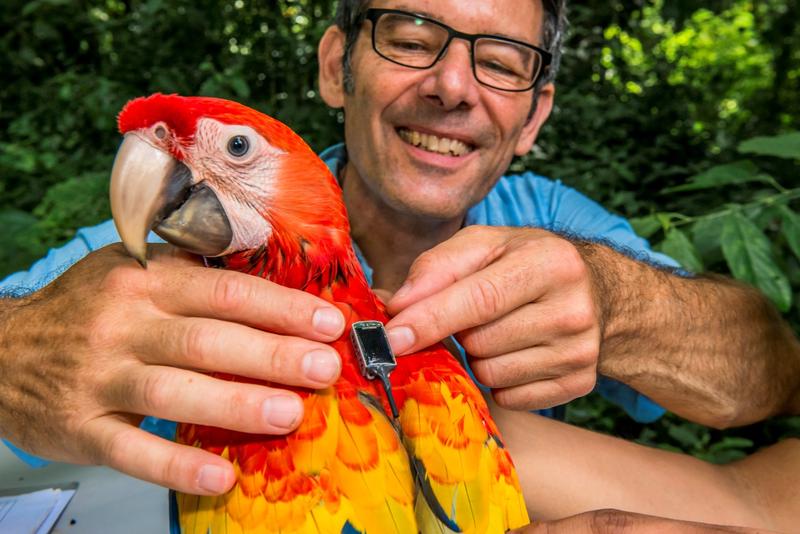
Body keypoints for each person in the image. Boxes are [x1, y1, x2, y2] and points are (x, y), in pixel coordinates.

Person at [0, 0, 798, 530]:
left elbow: (769, 374)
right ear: (334, 66)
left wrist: (620, 304)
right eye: (413, 39)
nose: (453, 86)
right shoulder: (157, 265)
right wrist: (13, 350)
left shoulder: (552, 221)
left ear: (533, 117)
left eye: (503, 60)